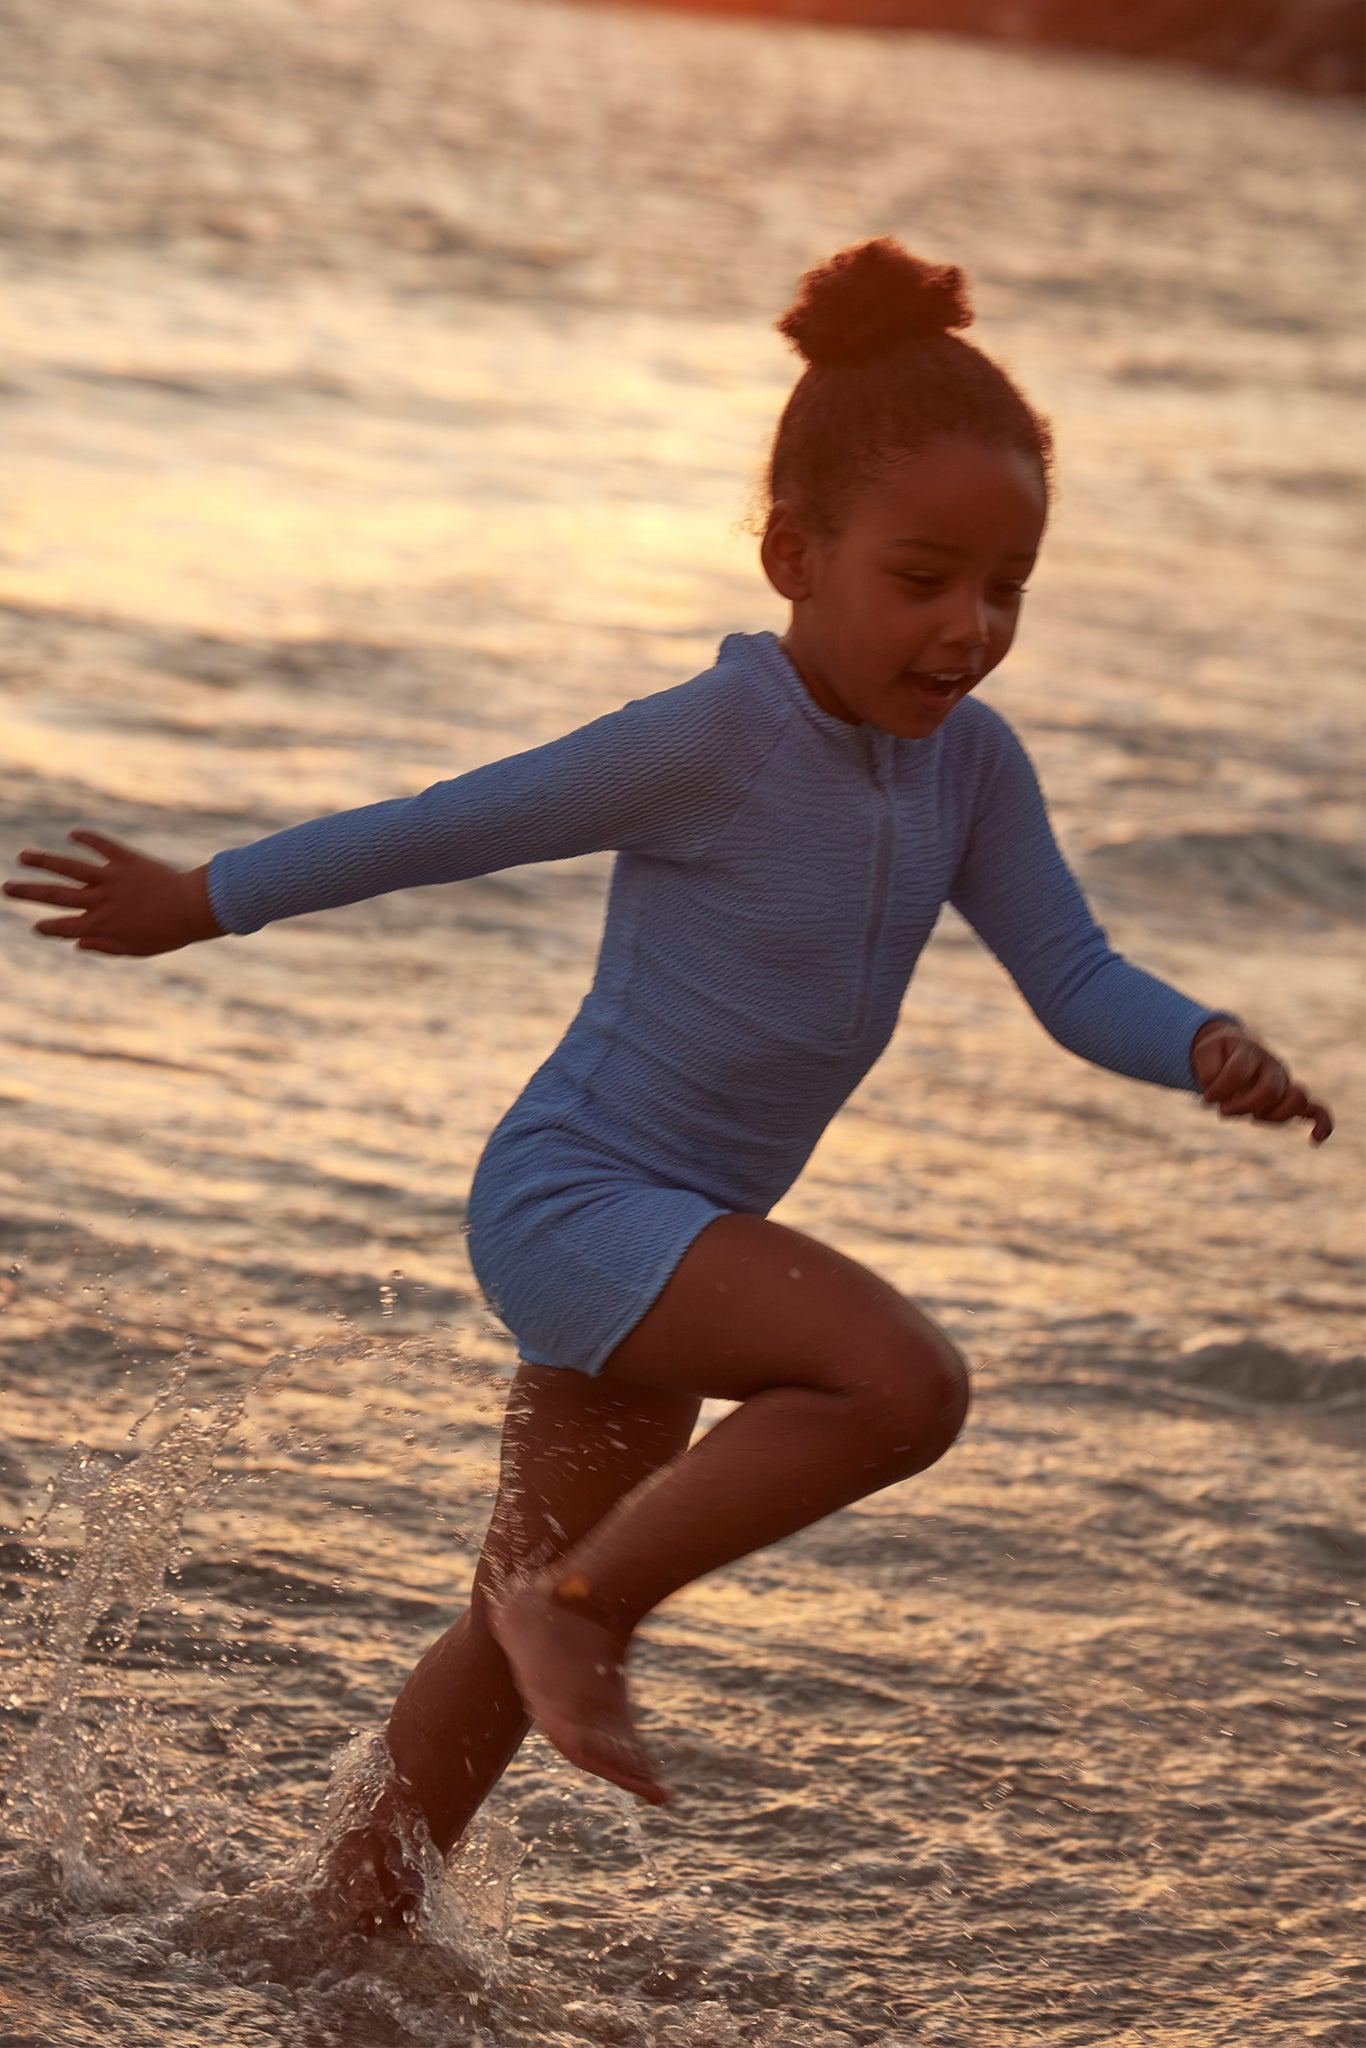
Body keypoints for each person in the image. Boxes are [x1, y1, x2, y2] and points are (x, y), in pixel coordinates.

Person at [3, 238, 1334, 1935]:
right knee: (899, 1386)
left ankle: (341, 1933)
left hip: (677, 1227)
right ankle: (589, 1614)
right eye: (922, 577)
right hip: (579, 1199)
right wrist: (204, 896)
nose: (968, 628)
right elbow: (446, 823)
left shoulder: (972, 770)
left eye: (1007, 587)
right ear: (793, 555)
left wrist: (1197, 1040)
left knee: (503, 1619)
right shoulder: (714, 735)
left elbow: (1070, 973)